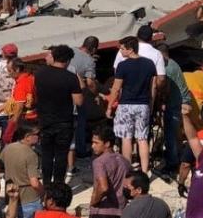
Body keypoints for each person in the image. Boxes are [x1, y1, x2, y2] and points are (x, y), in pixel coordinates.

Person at [107, 36, 157, 174]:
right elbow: (153, 87)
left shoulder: (123, 65)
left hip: (126, 105)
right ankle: (145, 170)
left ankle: (127, 170)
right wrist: (151, 103)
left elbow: (116, 88)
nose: (121, 51)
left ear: (130, 49)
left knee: (126, 138)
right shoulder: (149, 64)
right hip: (143, 104)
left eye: (122, 48)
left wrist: (109, 106)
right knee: (142, 138)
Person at [35, 45, 83, 184]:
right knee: (61, 155)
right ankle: (58, 184)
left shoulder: (39, 74)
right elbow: (78, 102)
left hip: (44, 120)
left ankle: (46, 183)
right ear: (67, 60)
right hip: (64, 121)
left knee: (47, 154)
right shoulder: (70, 77)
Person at [157, 43, 193, 177]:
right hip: (183, 102)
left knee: (170, 134)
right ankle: (178, 156)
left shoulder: (167, 68)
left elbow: (164, 89)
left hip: (176, 104)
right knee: (177, 134)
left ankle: (172, 164)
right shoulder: (173, 63)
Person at [66, 36, 99, 178]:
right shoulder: (89, 61)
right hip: (76, 95)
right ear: (94, 49)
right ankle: (80, 150)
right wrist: (96, 94)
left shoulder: (70, 50)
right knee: (79, 122)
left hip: (61, 94)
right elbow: (90, 83)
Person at [1, 123, 43, 218]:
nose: (40, 136)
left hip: (11, 200)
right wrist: (44, 193)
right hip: (29, 201)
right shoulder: (31, 154)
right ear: (27, 137)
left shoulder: (8, 148)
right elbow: (35, 183)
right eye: (37, 134)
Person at [88, 125, 130, 218]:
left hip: (102, 211)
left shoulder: (99, 162)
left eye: (96, 143)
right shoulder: (124, 161)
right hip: (120, 211)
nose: (92, 146)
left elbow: (104, 187)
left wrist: (94, 201)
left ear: (107, 144)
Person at [2, 58, 35, 143]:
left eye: (9, 71)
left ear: (16, 69)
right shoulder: (30, 77)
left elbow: (19, 108)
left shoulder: (22, 84)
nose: (9, 74)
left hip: (25, 120)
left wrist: (10, 128)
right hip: (34, 117)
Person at [9, 183, 76, 218]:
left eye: (45, 197)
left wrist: (13, 200)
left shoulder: (38, 215)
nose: (43, 200)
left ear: (51, 202)